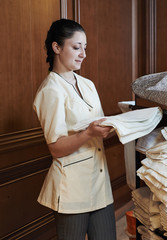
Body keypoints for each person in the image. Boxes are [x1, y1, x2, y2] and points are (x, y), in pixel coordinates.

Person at [33, 19, 116, 240]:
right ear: (57, 47)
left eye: (85, 48)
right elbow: (56, 148)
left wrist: (118, 126)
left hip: (99, 182)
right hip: (71, 190)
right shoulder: (51, 91)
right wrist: (88, 133)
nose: (83, 54)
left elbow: (98, 125)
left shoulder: (88, 85)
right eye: (76, 47)